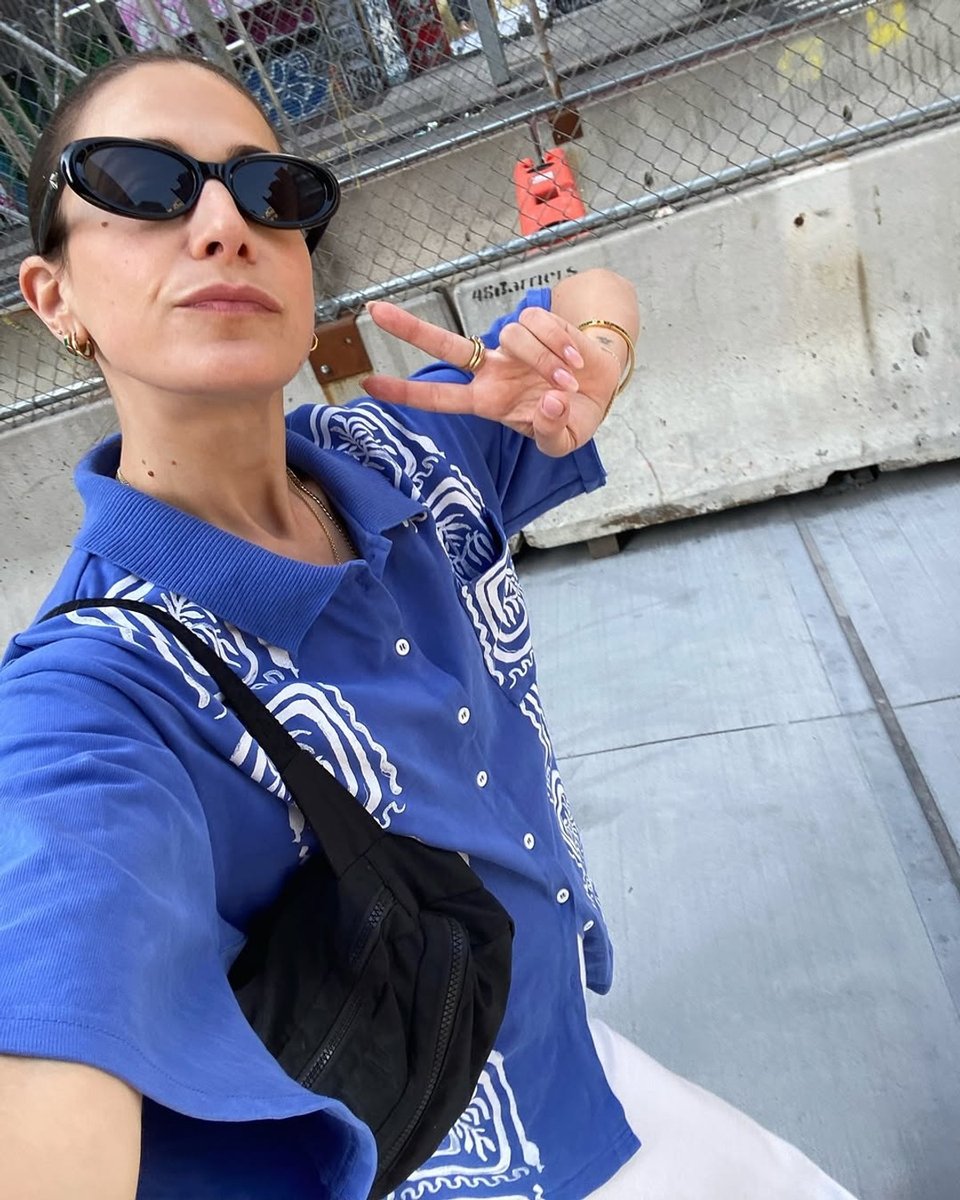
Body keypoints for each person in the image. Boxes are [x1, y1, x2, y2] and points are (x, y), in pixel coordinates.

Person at [0, 50, 857, 1200]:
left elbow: (596, 289)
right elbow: (55, 965)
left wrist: (584, 363)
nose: (220, 223)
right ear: (53, 297)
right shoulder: (99, 688)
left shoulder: (403, 459)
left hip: (575, 1052)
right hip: (452, 1156)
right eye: (140, 184)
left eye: (270, 191)